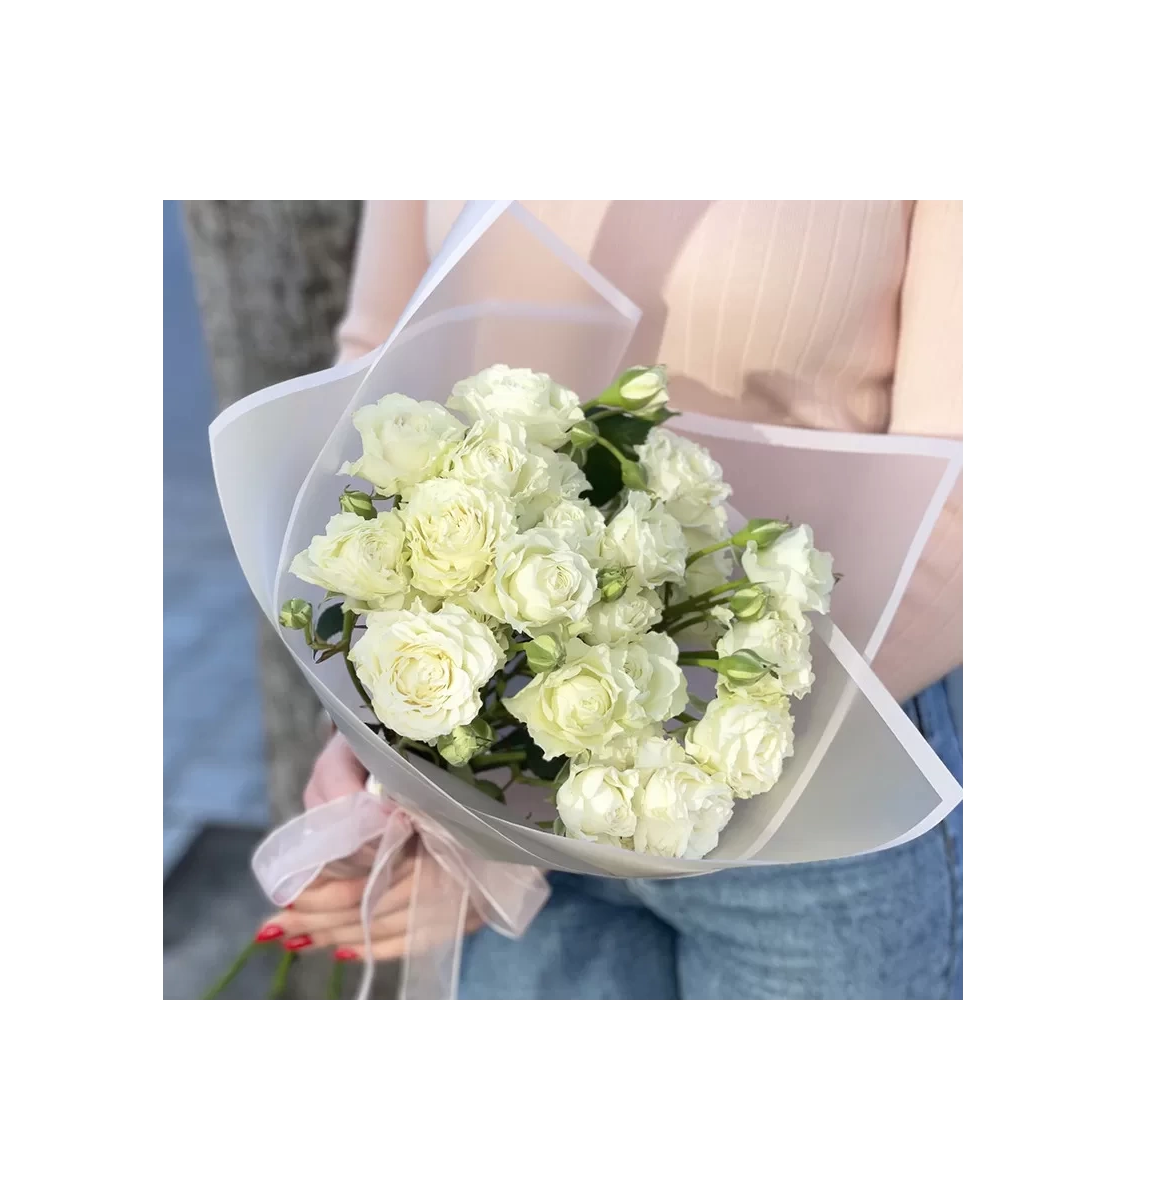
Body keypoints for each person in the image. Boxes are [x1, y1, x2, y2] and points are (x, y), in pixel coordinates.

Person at [261, 201, 963, 999]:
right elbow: (377, 377)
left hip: (812, 802)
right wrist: (387, 716)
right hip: (499, 771)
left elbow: (964, 505)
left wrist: (641, 763)